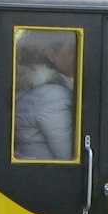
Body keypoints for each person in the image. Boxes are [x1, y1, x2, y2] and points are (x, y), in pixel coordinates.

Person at [14, 29, 78, 160]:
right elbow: (70, 155)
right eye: (72, 50)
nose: (80, 54)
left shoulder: (29, 86)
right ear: (51, 55)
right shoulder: (53, 96)